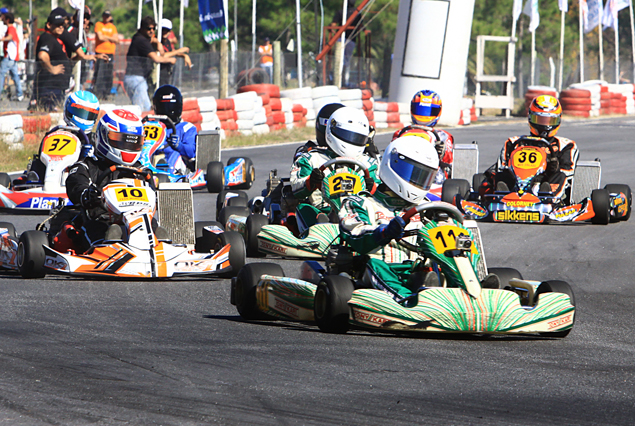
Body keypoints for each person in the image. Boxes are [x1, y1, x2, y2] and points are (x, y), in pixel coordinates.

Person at [338, 136, 441, 303]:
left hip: (418, 269)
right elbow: (357, 235)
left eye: (424, 177)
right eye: (413, 174)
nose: (418, 181)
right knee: (374, 264)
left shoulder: (427, 207)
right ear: (392, 164)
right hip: (378, 270)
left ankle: (473, 291)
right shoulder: (360, 203)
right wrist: (384, 232)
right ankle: (409, 301)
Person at [65, 108, 146, 250]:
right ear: (103, 135)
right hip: (99, 220)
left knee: (156, 227)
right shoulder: (87, 166)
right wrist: (86, 195)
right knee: (101, 230)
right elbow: (75, 185)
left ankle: (160, 248)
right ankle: (106, 251)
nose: (127, 147)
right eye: (121, 140)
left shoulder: (140, 171)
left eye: (133, 142)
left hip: (136, 221)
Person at [290, 106, 379, 232]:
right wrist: (311, 182)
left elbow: (382, 195)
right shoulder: (312, 158)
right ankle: (318, 235)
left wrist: (373, 188)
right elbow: (295, 188)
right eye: (347, 135)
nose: (351, 141)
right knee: (303, 208)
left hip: (359, 213)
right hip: (322, 212)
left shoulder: (368, 163)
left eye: (357, 138)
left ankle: (364, 230)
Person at [483, 95, 579, 200]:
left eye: (549, 121)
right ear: (530, 118)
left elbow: (568, 172)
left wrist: (553, 168)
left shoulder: (566, 145)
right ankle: (503, 196)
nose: (545, 126)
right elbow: (501, 167)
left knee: (560, 176)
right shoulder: (513, 142)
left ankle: (547, 197)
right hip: (516, 182)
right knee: (500, 176)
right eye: (540, 120)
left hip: (545, 183)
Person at [25, 90, 100, 184]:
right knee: (37, 163)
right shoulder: (53, 135)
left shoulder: (95, 141)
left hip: (81, 181)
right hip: (49, 178)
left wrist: (88, 156)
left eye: (88, 114)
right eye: (79, 111)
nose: (83, 118)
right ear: (67, 110)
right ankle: (36, 180)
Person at [392, 90, 453, 185]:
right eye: (420, 110)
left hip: (433, 179)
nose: (424, 115)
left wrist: (442, 153)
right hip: (402, 172)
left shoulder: (443, 136)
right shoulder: (401, 133)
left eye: (429, 111)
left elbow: (449, 161)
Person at [124, 16, 176, 112]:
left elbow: (152, 40)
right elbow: (156, 58)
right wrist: (170, 60)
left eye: (153, 29)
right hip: (136, 79)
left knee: (146, 108)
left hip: (137, 78)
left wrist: (158, 43)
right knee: (142, 109)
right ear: (142, 28)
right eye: (149, 29)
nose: (151, 31)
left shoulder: (139, 37)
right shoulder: (141, 41)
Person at [152, 84, 197, 172]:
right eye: (163, 107)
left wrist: (179, 146)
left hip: (179, 167)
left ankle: (167, 173)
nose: (166, 110)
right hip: (151, 161)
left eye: (169, 107)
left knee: (174, 154)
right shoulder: (151, 126)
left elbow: (191, 152)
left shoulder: (186, 128)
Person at [33, 9, 72, 111]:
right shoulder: (48, 38)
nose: (60, 27)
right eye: (57, 24)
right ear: (49, 25)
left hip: (56, 88)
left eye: (62, 25)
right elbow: (42, 55)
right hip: (50, 88)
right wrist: (52, 69)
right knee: (50, 114)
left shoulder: (54, 39)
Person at [156, 18, 192, 86]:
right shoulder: (156, 41)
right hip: (157, 74)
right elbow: (160, 55)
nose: (164, 32)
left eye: (167, 30)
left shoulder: (167, 42)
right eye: (163, 29)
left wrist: (184, 55)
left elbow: (171, 51)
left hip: (166, 73)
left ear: (170, 32)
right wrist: (178, 51)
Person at [93, 11, 118, 99]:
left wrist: (106, 37)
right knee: (100, 73)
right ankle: (98, 93)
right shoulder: (99, 25)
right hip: (100, 52)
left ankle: (106, 93)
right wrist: (110, 38)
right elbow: (100, 37)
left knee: (108, 74)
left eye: (108, 16)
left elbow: (117, 39)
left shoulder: (112, 27)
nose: (107, 18)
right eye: (105, 16)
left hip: (110, 53)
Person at [0, 12, 23, 101]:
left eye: (3, 18)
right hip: (13, 57)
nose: (2, 19)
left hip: (9, 56)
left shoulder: (11, 28)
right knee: (15, 75)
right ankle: (20, 94)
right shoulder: (12, 28)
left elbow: (10, 37)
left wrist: (2, 39)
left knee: (1, 74)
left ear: (7, 20)